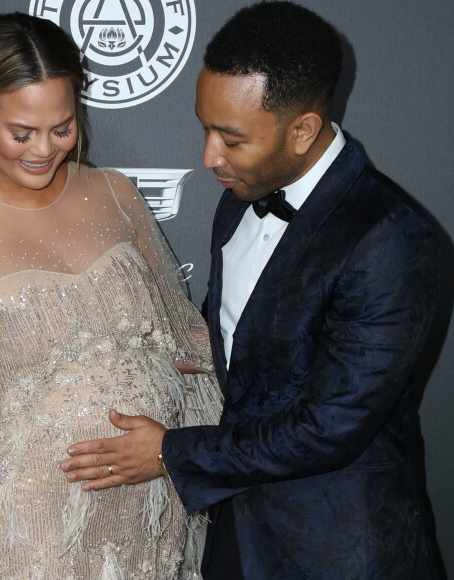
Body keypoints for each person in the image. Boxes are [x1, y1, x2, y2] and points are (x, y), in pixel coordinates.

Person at [61, 2, 443, 578]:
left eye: (231, 139)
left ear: (303, 130)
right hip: (237, 535)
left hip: (338, 548)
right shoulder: (238, 198)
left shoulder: (390, 238)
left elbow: (329, 427)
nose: (209, 156)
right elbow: (240, 336)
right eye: (204, 127)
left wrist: (170, 452)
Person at [0, 12, 222, 580]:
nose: (44, 150)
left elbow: (188, 345)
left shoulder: (115, 193)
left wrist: (192, 455)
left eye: (61, 127)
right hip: (36, 541)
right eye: (22, 133)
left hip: (149, 520)